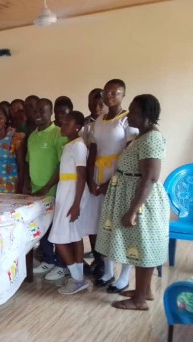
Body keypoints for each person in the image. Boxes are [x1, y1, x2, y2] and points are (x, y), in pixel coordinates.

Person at [96, 94, 169, 310]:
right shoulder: (142, 136)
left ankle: (138, 301)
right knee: (138, 245)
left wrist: (133, 210)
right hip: (131, 194)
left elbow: (150, 178)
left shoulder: (151, 139)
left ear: (147, 115)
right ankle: (144, 291)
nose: (129, 116)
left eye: (134, 112)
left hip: (142, 202)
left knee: (143, 247)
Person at [85, 79, 138, 290]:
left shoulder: (127, 120)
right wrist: (91, 179)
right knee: (102, 225)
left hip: (119, 177)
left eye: (115, 92)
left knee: (119, 226)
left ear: (123, 95)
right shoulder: (98, 120)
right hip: (98, 176)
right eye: (107, 92)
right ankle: (107, 271)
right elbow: (93, 151)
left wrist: (111, 181)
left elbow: (129, 152)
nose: (110, 96)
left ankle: (124, 276)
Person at [26, 98, 69, 280]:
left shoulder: (57, 134)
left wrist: (46, 188)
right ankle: (49, 260)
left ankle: (62, 265)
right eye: (35, 111)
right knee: (42, 228)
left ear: (50, 113)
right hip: (36, 192)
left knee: (57, 230)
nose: (38, 115)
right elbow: (29, 162)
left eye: (42, 111)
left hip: (53, 191)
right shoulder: (32, 136)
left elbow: (62, 165)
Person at [48, 111, 90, 294]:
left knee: (58, 238)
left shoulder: (79, 146)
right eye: (62, 122)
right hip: (65, 192)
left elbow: (82, 176)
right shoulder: (70, 145)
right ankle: (78, 278)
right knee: (74, 235)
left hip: (72, 195)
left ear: (77, 127)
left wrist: (76, 204)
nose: (62, 126)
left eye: (67, 124)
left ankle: (78, 278)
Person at [82, 88, 105, 274]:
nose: (96, 107)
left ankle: (105, 263)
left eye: (100, 103)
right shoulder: (85, 124)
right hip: (89, 174)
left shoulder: (110, 122)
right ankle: (97, 259)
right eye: (93, 102)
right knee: (91, 220)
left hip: (106, 174)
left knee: (104, 221)